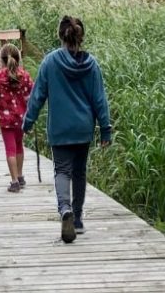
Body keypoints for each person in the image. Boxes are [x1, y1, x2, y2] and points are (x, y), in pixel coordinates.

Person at [21, 15, 111, 243]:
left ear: (61, 35)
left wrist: (28, 122)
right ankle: (78, 219)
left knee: (62, 170)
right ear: (81, 37)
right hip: (83, 129)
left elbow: (38, 95)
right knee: (79, 172)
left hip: (60, 129)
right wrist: (106, 129)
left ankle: (65, 210)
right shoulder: (92, 65)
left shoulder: (50, 62)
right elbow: (99, 99)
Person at [0, 43, 33, 192]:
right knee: (19, 146)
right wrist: (31, 117)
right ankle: (20, 175)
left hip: (6, 121)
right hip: (21, 119)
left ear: (2, 60)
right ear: (18, 59)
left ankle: (14, 181)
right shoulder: (24, 75)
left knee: (10, 149)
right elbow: (32, 97)